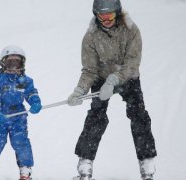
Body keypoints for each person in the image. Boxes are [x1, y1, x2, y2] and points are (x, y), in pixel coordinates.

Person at [67, 0, 157, 180]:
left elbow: (132, 62)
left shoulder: (131, 30)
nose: (106, 20)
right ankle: (85, 163)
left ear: (117, 13)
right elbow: (89, 70)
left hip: (127, 77)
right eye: (102, 16)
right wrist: (80, 90)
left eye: (110, 15)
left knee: (138, 114)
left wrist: (115, 79)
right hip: (101, 78)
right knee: (96, 117)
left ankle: (146, 163)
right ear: (96, 15)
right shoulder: (91, 36)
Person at [0, 45, 42, 180]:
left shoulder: (25, 81)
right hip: (0, 117)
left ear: (22, 63)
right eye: (10, 61)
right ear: (3, 63)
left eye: (17, 62)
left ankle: (25, 168)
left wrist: (35, 102)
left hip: (18, 117)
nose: (13, 65)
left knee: (21, 142)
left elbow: (31, 93)